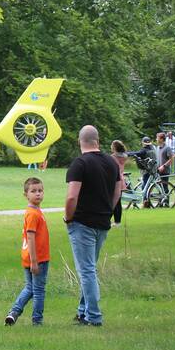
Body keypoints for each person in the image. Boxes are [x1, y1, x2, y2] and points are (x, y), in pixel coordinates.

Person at [64, 125, 122, 327]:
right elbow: (117, 192)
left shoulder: (79, 164)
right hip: (102, 223)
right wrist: (107, 211)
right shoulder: (112, 163)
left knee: (86, 271)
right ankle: (83, 312)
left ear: (79, 141)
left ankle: (94, 316)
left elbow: (72, 196)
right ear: (98, 140)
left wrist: (68, 218)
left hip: (82, 223)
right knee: (89, 268)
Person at [4, 177, 50, 326]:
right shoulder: (33, 214)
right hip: (37, 258)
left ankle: (14, 313)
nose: (38, 193)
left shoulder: (35, 211)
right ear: (26, 195)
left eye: (40, 190)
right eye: (33, 191)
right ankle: (37, 320)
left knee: (30, 288)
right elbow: (30, 237)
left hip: (31, 257)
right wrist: (34, 261)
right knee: (39, 290)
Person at [109, 140, 128, 226]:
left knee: (112, 201)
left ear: (114, 147)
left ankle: (108, 219)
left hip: (114, 179)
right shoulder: (124, 156)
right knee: (118, 201)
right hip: (121, 179)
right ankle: (117, 221)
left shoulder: (113, 157)